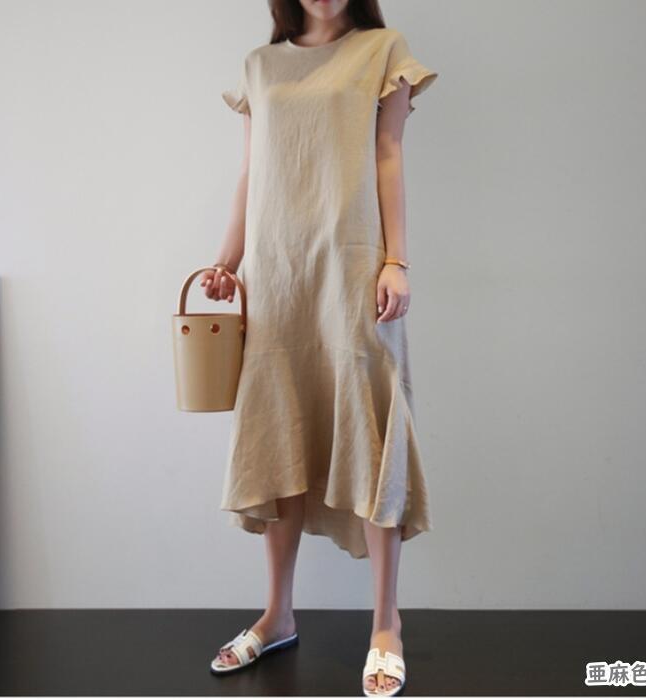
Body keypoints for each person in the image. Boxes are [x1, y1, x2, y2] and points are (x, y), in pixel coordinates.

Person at [202, 0, 438, 695]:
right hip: (276, 271)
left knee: (370, 429)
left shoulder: (383, 50)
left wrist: (397, 261)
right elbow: (253, 171)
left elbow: (388, 154)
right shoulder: (261, 65)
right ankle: (277, 615)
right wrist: (226, 261)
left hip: (352, 265)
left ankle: (386, 626)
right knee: (278, 430)